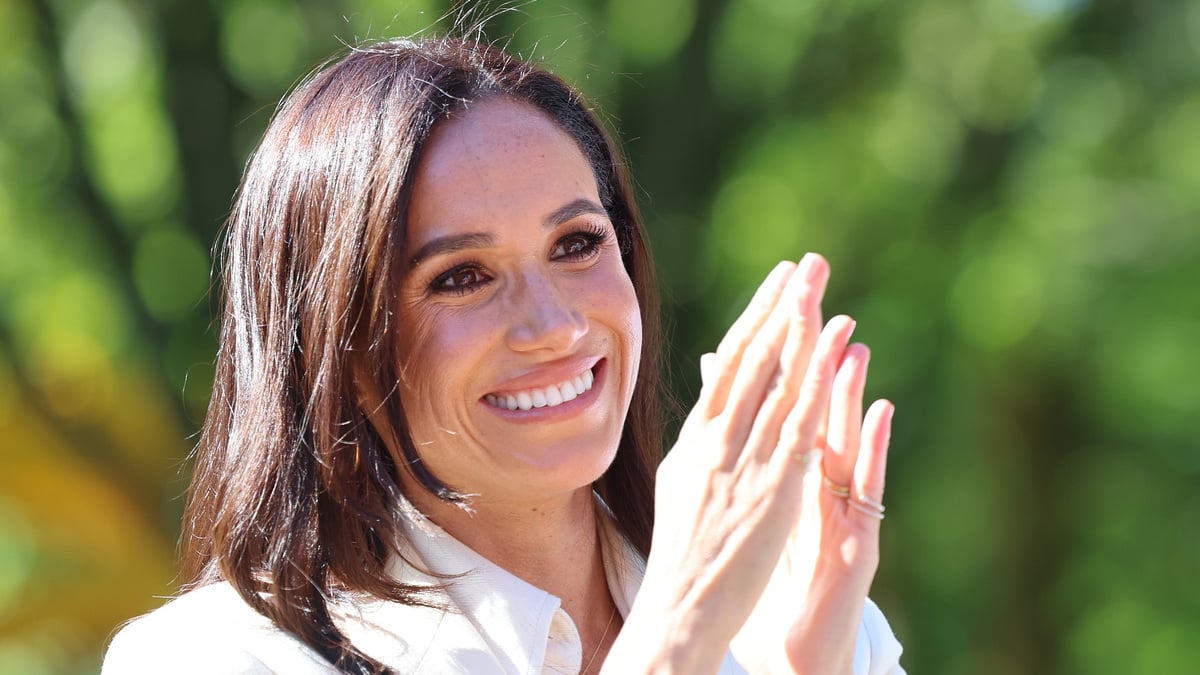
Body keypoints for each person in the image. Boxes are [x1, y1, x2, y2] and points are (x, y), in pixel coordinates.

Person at [102, 35, 903, 674]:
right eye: (462, 276)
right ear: (338, 347)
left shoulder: (791, 621)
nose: (554, 324)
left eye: (578, 242)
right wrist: (679, 631)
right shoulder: (220, 657)